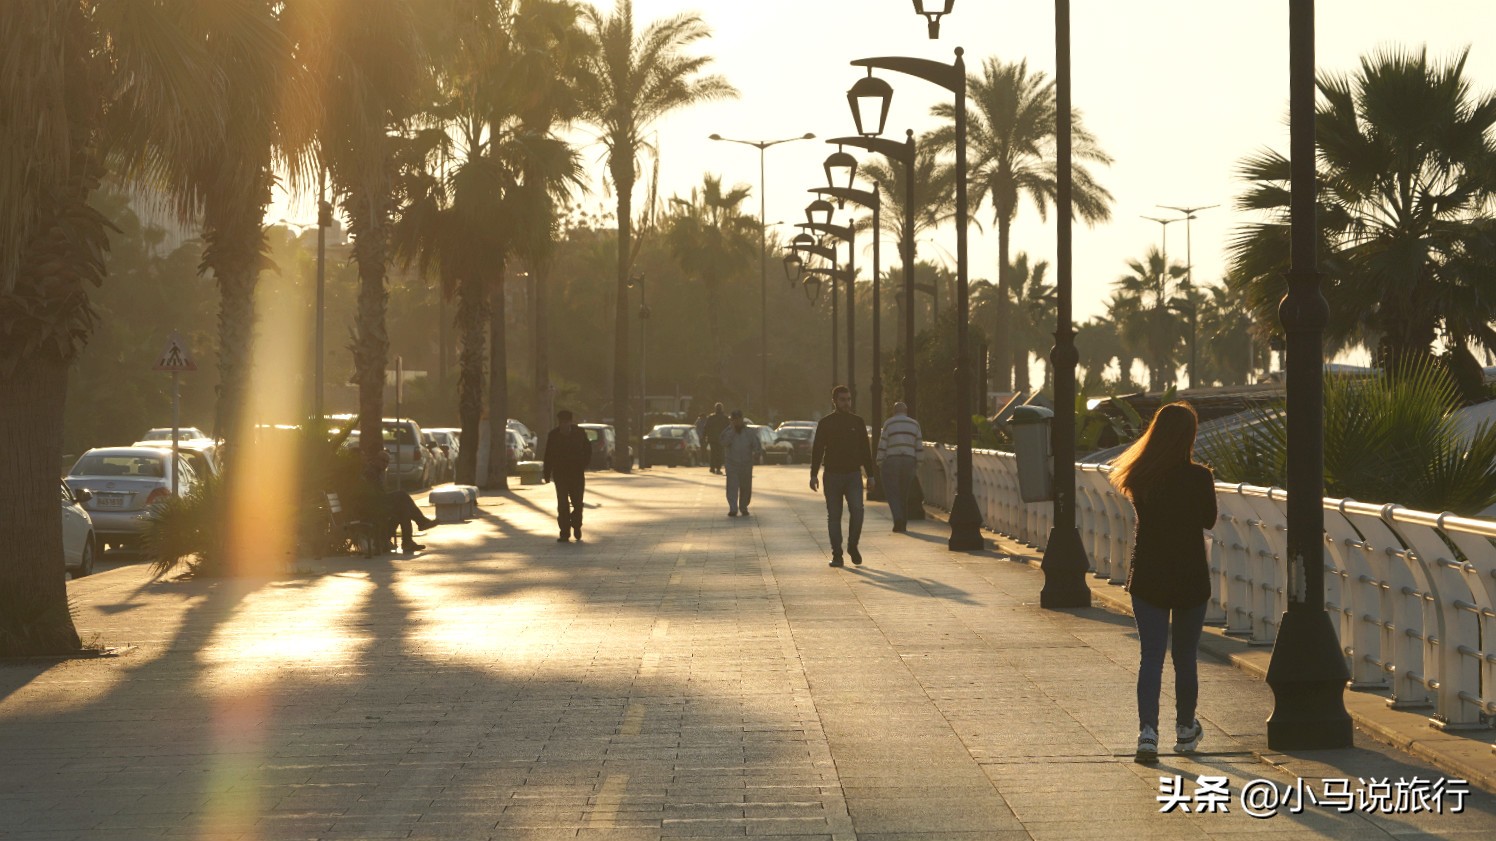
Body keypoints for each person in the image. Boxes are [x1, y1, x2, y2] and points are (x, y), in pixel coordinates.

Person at [1108, 401, 1217, 764]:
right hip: (1189, 576)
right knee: (1185, 657)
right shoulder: (1200, 477)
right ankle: (1185, 729)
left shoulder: (1141, 476)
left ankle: (1148, 733)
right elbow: (1210, 520)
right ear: (1189, 437)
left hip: (1150, 575)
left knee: (1150, 656)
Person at [809, 385, 875, 567]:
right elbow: (818, 450)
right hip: (832, 475)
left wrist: (871, 475)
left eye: (848, 399)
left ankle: (852, 546)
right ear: (835, 401)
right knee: (834, 516)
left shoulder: (857, 422)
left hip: (853, 474)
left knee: (858, 510)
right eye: (843, 400)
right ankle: (837, 554)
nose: (846, 403)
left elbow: (865, 450)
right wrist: (813, 474)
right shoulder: (826, 423)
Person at [543, 409, 592, 542]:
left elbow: (588, 449)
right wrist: (547, 473)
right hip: (560, 474)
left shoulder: (579, 433)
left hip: (576, 474)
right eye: (561, 423)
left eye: (565, 422)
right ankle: (564, 532)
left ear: (570, 422)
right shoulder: (553, 435)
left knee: (577, 503)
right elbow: (548, 455)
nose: (563, 425)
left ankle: (576, 525)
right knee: (563, 504)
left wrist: (584, 464)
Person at [876, 401, 923, 533]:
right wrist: (918, 463)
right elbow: (919, 445)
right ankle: (904, 521)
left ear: (894, 411)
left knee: (892, 492)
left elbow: (883, 443)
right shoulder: (914, 424)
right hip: (909, 461)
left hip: (892, 460)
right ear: (906, 411)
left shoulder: (889, 423)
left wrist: (880, 460)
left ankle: (898, 519)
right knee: (904, 493)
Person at [719, 409, 763, 516]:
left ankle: (743, 506)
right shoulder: (727, 432)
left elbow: (756, 444)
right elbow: (723, 443)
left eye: (738, 420)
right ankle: (733, 508)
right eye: (734, 420)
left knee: (745, 487)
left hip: (746, 464)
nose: (737, 422)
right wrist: (733, 431)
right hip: (732, 464)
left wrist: (757, 453)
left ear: (742, 420)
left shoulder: (749, 432)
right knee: (732, 486)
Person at [702, 403, 729, 475]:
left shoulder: (711, 417)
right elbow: (729, 429)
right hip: (720, 439)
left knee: (713, 453)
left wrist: (704, 436)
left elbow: (706, 427)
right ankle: (717, 468)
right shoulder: (725, 418)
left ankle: (712, 467)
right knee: (719, 453)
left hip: (712, 439)